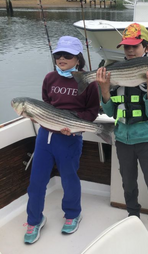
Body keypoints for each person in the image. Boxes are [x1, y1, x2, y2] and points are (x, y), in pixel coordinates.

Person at [96, 23, 148, 254]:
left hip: (147, 141)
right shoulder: (118, 71)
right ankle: (133, 221)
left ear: (146, 47)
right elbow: (110, 113)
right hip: (123, 140)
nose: (129, 51)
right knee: (128, 186)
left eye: (134, 46)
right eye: (126, 47)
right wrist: (104, 89)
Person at [24, 36, 100, 244]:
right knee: (36, 181)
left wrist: (75, 127)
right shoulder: (49, 78)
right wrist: (36, 115)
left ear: (78, 59)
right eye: (58, 54)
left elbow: (92, 111)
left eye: (68, 55)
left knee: (69, 178)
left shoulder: (88, 82)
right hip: (45, 137)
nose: (62, 58)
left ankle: (73, 214)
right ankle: (34, 219)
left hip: (70, 138)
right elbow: (46, 103)